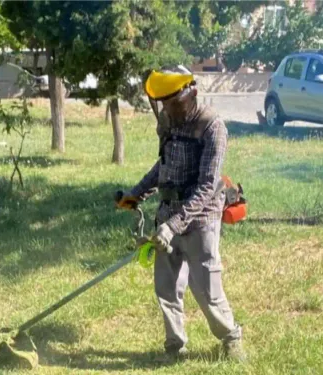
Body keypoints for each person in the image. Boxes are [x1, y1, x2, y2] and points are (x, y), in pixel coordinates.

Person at [115, 65, 246, 362]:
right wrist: (136, 193)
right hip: (168, 213)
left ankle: (230, 338)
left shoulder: (212, 127)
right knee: (166, 287)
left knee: (206, 290)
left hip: (200, 218)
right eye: (163, 104)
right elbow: (163, 165)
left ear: (191, 93)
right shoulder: (169, 121)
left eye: (173, 104)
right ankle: (175, 346)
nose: (168, 110)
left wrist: (173, 226)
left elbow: (207, 187)